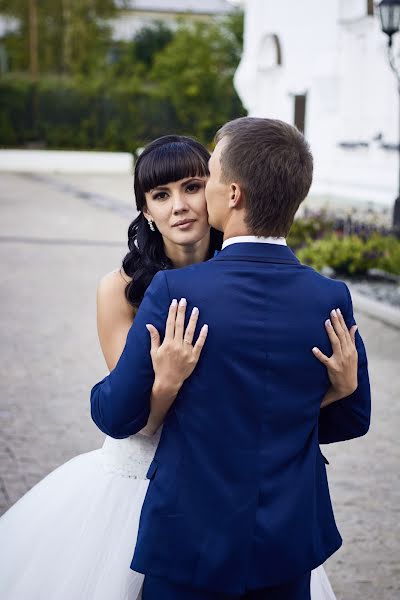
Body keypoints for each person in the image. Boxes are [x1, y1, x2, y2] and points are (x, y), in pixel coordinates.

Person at [1, 135, 348, 600]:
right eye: (160, 196)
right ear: (145, 211)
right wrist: (166, 381)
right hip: (144, 479)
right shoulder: (121, 290)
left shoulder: (252, 277)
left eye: (191, 187)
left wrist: (332, 389)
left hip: (236, 488)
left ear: (220, 193)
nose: (179, 206)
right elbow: (134, 421)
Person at [91, 121, 371, 600]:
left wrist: (167, 386)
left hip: (188, 540)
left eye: (205, 180)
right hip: (286, 543)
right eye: (162, 194)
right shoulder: (329, 296)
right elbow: (354, 419)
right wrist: (336, 392)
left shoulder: (176, 293)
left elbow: (113, 413)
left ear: (232, 193)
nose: (188, 202)